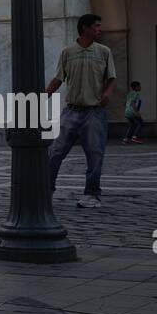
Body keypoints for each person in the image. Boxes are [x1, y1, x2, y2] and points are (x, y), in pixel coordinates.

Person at [45, 13, 116, 208]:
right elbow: (58, 78)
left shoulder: (104, 52)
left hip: (94, 112)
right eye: (97, 26)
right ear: (85, 28)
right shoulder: (67, 52)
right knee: (56, 152)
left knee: (95, 153)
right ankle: (47, 190)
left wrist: (108, 94)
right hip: (71, 110)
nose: (99, 30)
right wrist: (42, 97)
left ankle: (91, 194)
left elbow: (111, 78)